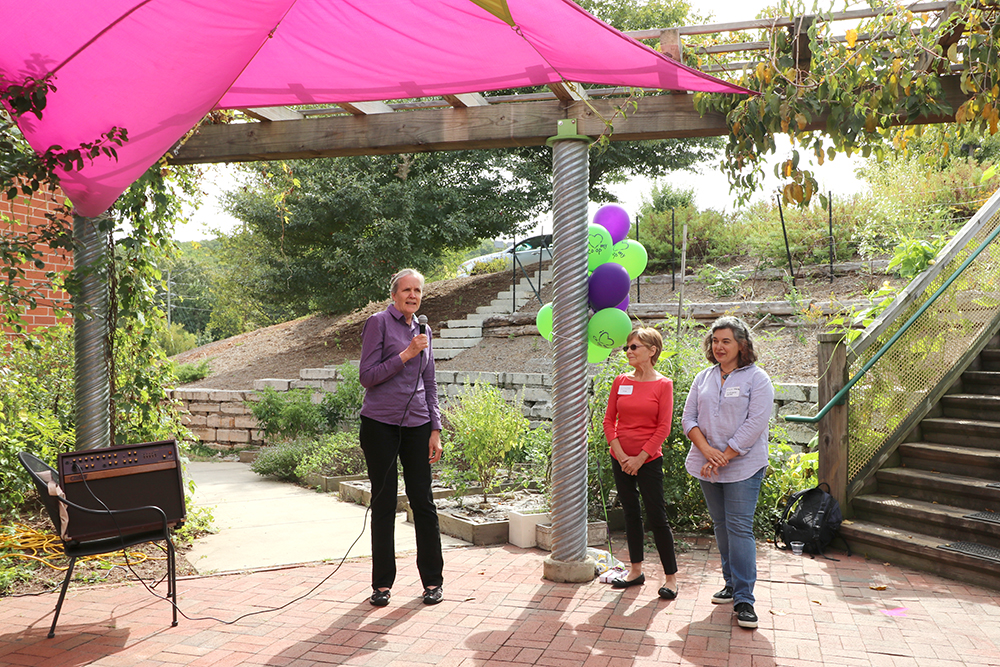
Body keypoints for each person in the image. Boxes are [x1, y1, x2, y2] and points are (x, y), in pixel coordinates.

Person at [359, 268, 444, 607]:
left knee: (423, 501)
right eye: (406, 290)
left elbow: (432, 382)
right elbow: (367, 376)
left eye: (418, 291)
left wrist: (435, 428)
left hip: (418, 423)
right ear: (394, 295)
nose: (412, 295)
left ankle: (433, 583)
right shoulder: (378, 323)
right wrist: (405, 355)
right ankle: (382, 585)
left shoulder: (424, 329)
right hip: (380, 423)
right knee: (384, 503)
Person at [682, 316, 774, 630]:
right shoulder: (703, 377)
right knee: (721, 526)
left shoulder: (757, 379)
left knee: (739, 529)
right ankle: (731, 583)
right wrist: (708, 451)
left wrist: (726, 454)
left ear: (742, 345)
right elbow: (688, 419)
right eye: (715, 341)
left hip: (743, 467)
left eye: (726, 341)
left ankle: (745, 600)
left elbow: (756, 423)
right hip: (706, 463)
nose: (719, 347)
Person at [603, 327, 679, 600]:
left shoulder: (663, 384)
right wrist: (622, 455)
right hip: (620, 458)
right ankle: (635, 571)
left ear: (652, 350)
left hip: (647, 460)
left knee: (657, 517)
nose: (628, 351)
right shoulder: (620, 380)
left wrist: (639, 458)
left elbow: (664, 428)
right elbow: (608, 421)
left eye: (634, 347)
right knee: (631, 514)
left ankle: (670, 578)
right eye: (627, 347)